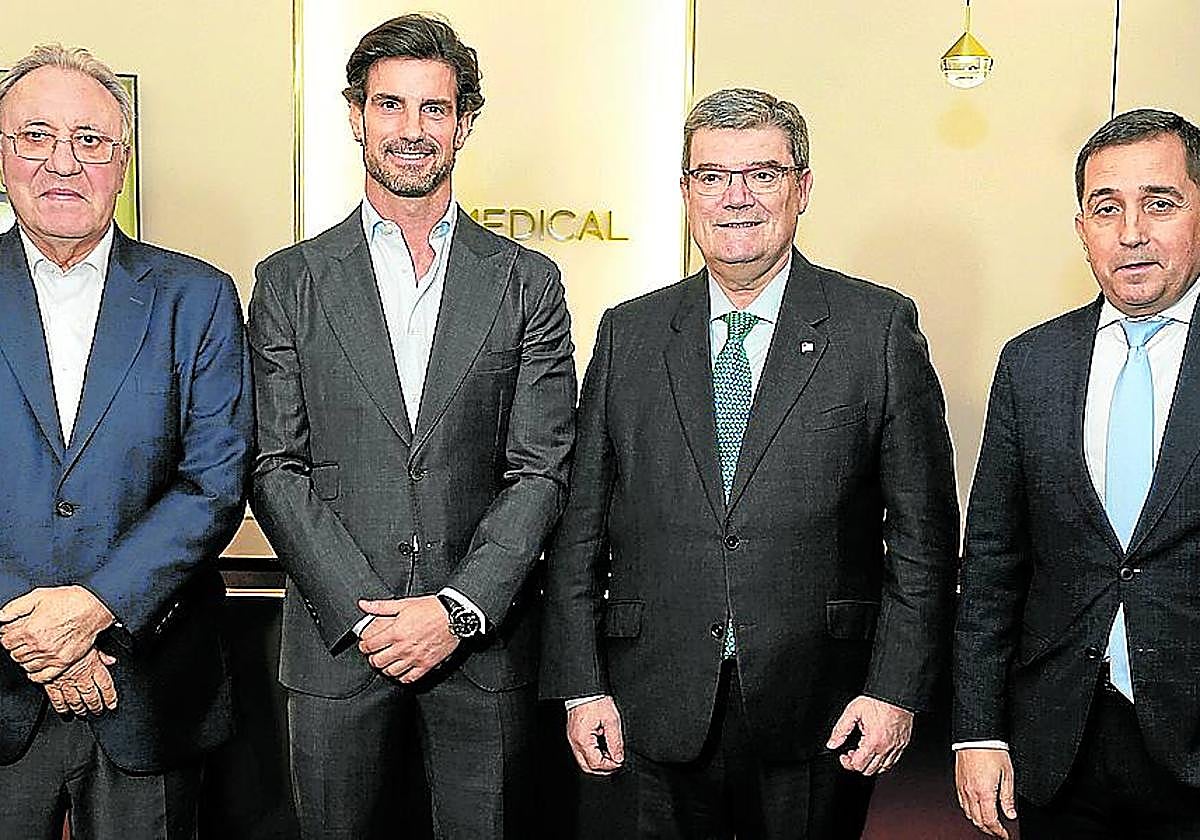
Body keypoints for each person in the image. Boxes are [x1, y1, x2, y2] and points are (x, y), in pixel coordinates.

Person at [540, 87, 959, 839]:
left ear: (803, 187)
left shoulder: (877, 329)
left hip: (822, 711)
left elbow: (923, 538)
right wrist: (580, 685)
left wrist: (895, 690)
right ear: (685, 192)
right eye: (712, 176)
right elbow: (580, 530)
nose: (736, 198)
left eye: (763, 174)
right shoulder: (630, 333)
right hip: (647, 705)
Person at [247, 14, 576, 839]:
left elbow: (540, 469)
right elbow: (276, 466)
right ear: (356, 117)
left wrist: (457, 608)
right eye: (390, 105)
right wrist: (367, 617)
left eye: (435, 108)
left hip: (481, 648)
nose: (411, 129)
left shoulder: (527, 281)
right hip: (337, 644)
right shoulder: (289, 281)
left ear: (464, 125)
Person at [0, 44, 252, 839]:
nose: (62, 162)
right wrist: (32, 629)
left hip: (148, 690)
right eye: (36, 136)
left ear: (123, 161)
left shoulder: (197, 297)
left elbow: (214, 481)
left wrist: (95, 607)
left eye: (90, 140)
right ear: (2, 154)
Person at [954, 108, 1200, 839]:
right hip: (1059, 748)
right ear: (1081, 228)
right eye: (1107, 208)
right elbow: (992, 564)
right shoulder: (1032, 364)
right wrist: (977, 731)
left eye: (1160, 203)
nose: (1132, 232)